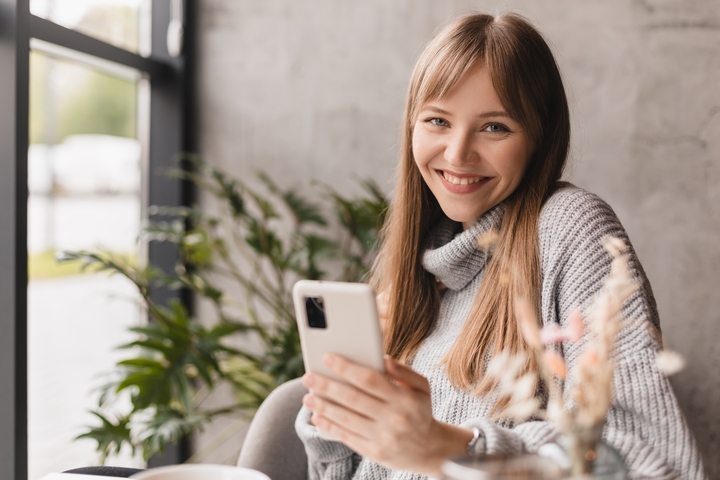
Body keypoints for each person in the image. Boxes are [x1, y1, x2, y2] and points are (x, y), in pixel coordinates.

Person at [294, 12, 706, 480]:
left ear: (539, 139)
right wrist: (337, 408)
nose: (456, 154)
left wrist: (451, 447)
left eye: (495, 127)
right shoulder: (420, 269)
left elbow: (654, 462)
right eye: (437, 121)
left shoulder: (570, 229)